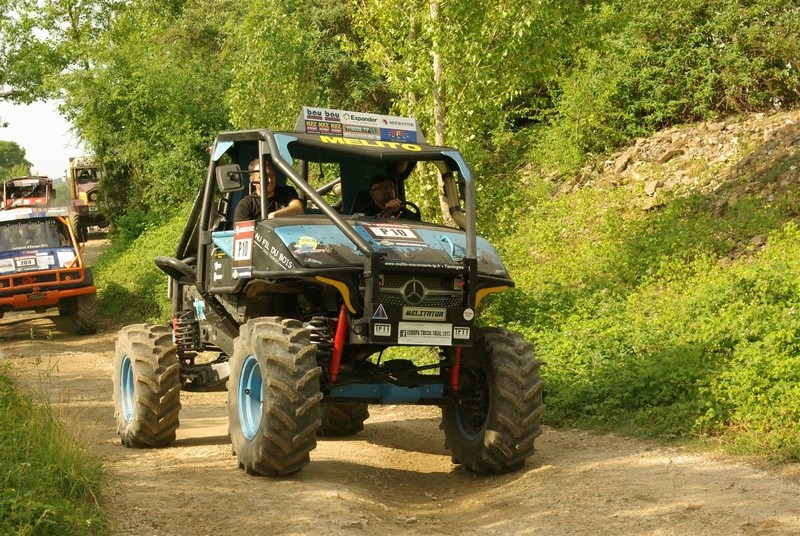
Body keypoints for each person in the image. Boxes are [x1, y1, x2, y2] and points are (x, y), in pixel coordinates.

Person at [233, 158, 304, 222]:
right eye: (264, 177)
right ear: (252, 180)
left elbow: (298, 208)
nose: (270, 180)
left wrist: (275, 215)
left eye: (272, 175)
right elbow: (243, 234)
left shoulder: (287, 192)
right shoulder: (245, 205)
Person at [352, 175, 420, 220]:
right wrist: (386, 214)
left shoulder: (405, 213)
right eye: (383, 188)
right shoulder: (365, 213)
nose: (388, 190)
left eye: (391, 186)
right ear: (372, 194)